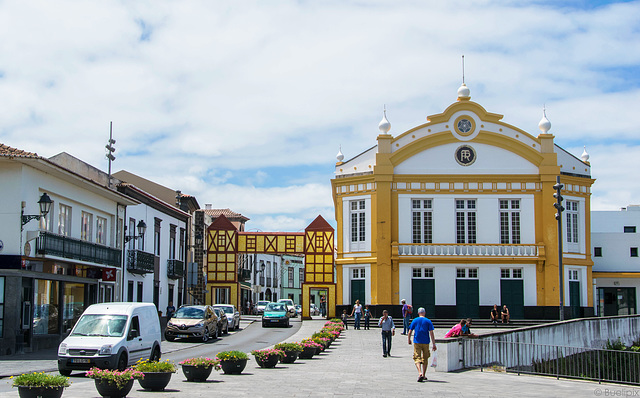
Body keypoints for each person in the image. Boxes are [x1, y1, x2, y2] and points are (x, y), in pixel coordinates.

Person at [408, 307, 436, 382]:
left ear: (418, 313)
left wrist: (409, 339)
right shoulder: (428, 321)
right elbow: (431, 333)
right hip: (426, 342)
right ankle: (423, 374)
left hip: (417, 341)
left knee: (417, 357)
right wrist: (434, 344)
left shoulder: (415, 320)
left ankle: (419, 372)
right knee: (425, 358)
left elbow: (410, 331)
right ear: (425, 313)